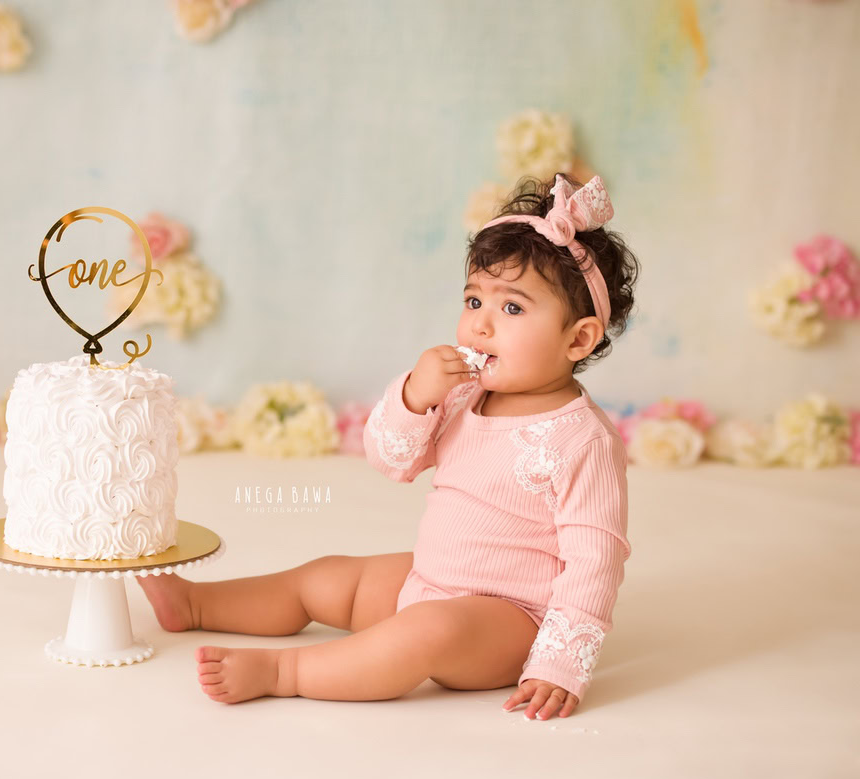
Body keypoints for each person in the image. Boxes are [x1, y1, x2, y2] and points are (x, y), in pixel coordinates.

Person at [137, 173, 640, 720]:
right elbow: (391, 461)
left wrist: (558, 664)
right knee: (328, 576)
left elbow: (596, 559)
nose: (480, 326)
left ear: (578, 339)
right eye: (473, 300)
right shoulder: (462, 392)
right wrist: (414, 397)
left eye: (513, 309)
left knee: (426, 629)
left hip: (509, 619)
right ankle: (195, 603)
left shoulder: (582, 439)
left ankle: (288, 672)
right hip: (430, 578)